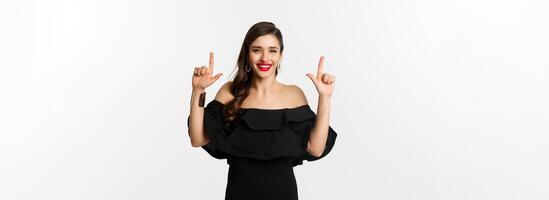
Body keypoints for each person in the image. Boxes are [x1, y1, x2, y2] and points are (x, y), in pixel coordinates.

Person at [187, 21, 338, 200]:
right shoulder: (230, 91)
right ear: (247, 53)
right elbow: (197, 139)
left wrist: (325, 97)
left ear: (280, 55)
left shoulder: (293, 94)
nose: (265, 58)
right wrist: (198, 91)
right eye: (257, 50)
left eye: (272, 50)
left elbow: (316, 148)